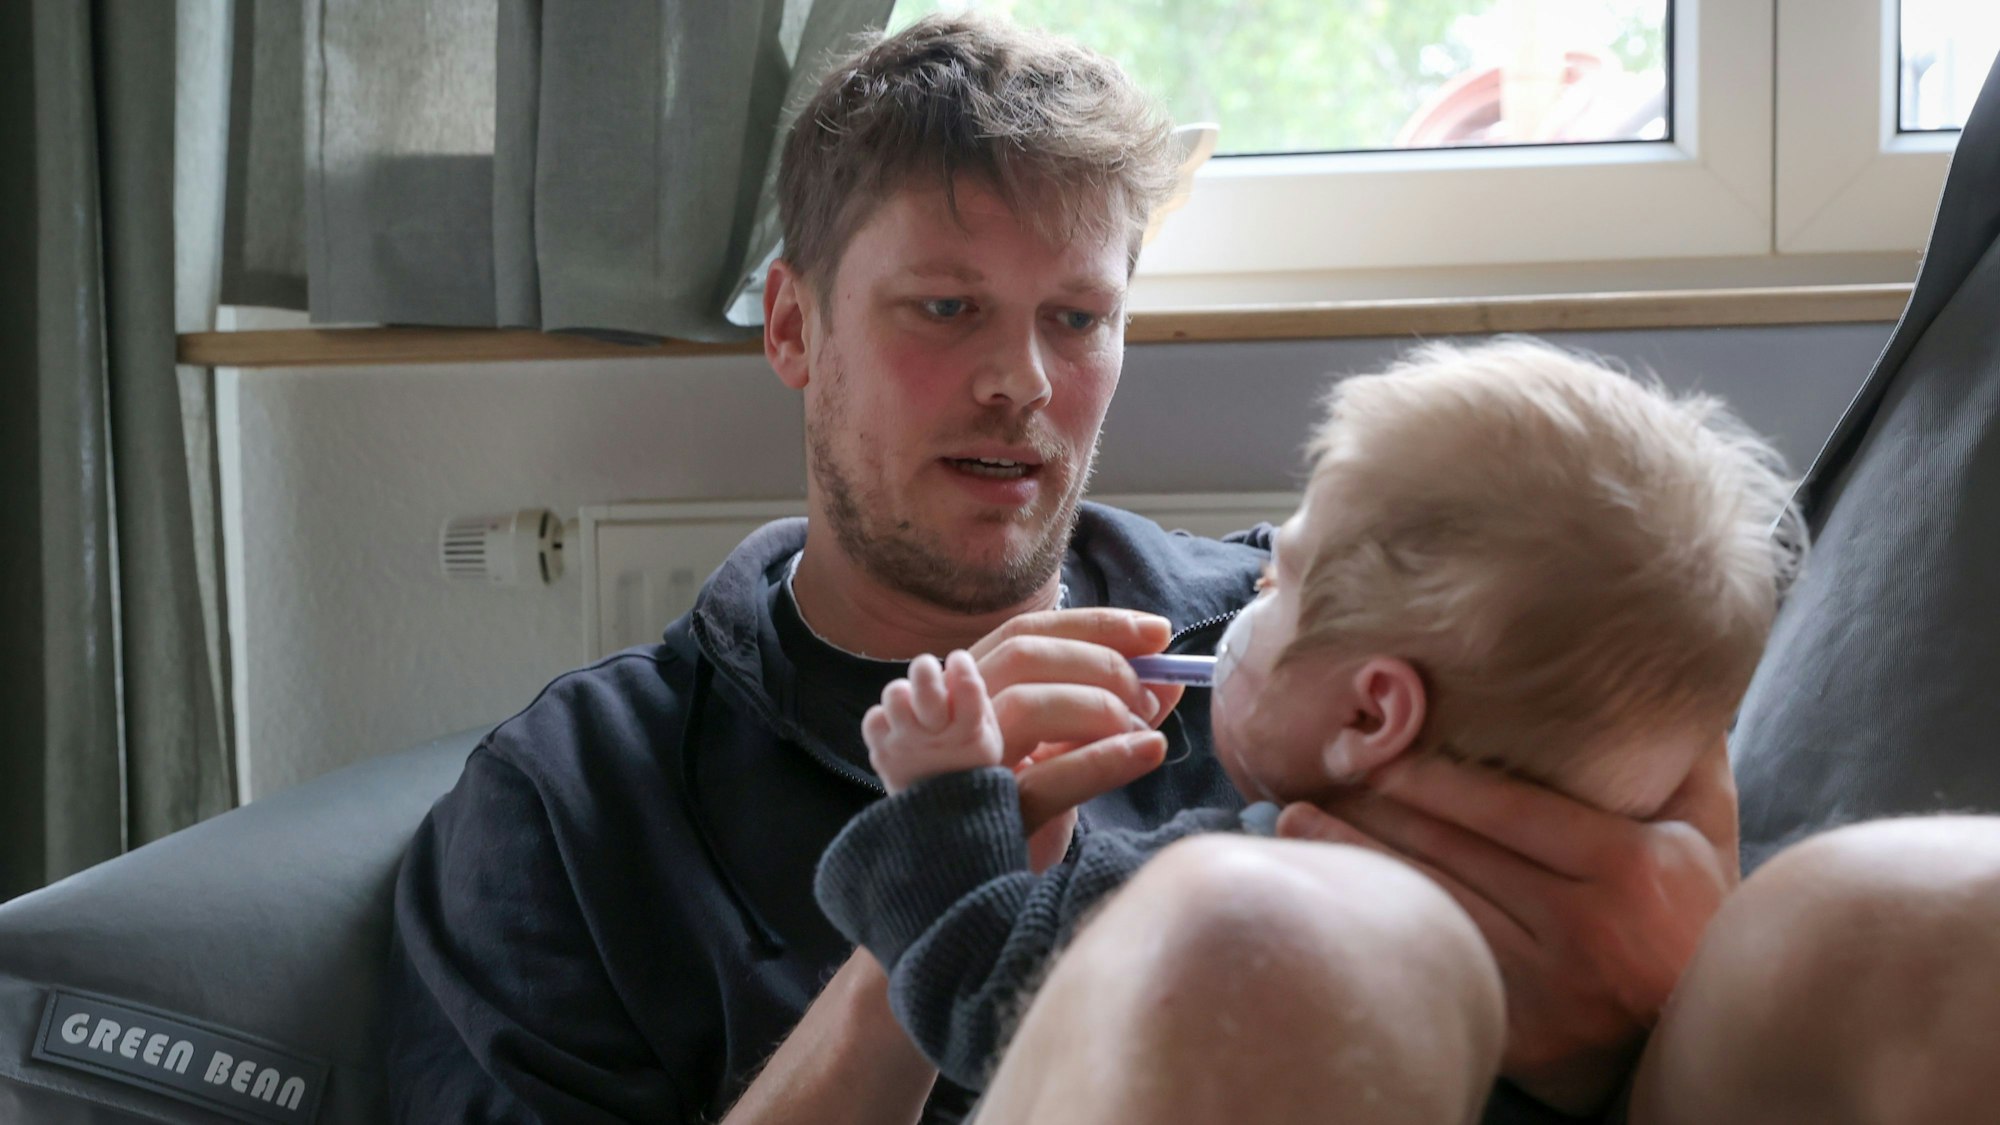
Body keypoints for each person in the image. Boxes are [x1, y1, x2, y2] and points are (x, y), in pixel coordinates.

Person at [384, 15, 1743, 1125]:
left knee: (1901, 919)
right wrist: (915, 947)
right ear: (795, 327)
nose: (1020, 384)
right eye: (947, 307)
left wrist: (1675, 973)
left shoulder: (1327, 649)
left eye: (1078, 318)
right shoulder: (574, 800)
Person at [814, 338, 1802, 1104]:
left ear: (1371, 712)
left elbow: (982, 994)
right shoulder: (1614, 976)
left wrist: (944, 801)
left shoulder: (1244, 898)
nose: (1245, 588)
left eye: (1276, 579)